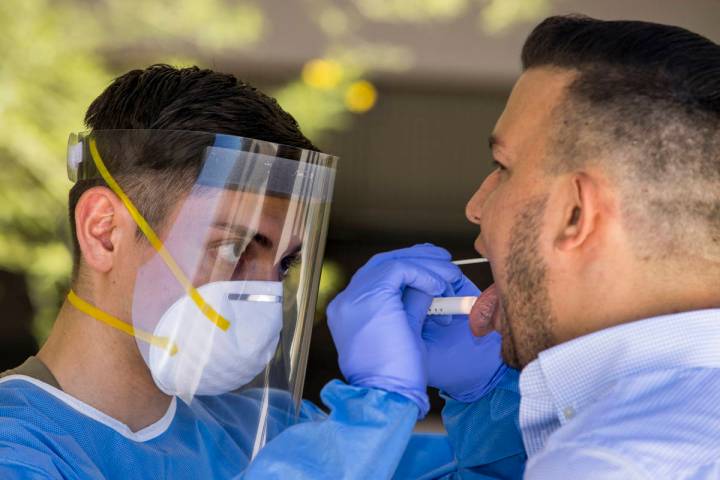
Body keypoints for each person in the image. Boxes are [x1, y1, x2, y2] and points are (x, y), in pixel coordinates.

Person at [0, 65, 516, 479]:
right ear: (104, 231)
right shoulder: (18, 448)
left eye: (286, 262)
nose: (265, 290)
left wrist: (486, 398)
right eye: (235, 247)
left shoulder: (267, 431)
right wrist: (374, 410)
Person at [326, 14, 720, 479]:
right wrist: (490, 399)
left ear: (576, 212)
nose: (476, 207)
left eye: (502, 167)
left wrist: (374, 409)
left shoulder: (610, 463)